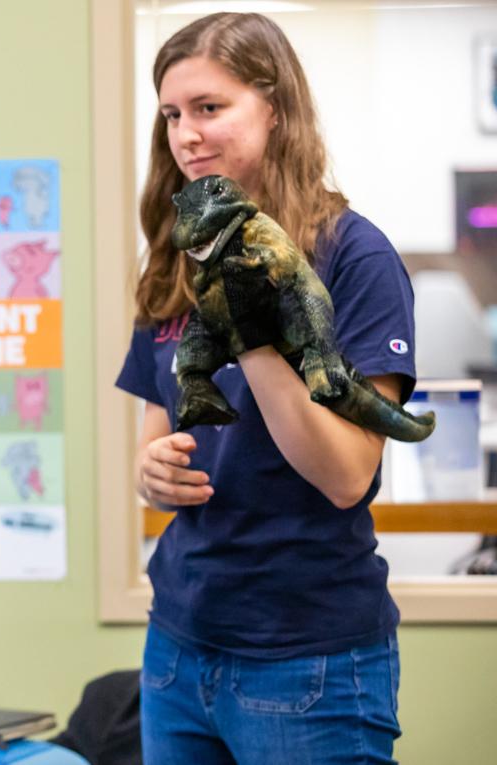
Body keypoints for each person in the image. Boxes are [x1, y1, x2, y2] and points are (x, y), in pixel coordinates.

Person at [116, 13, 410, 764]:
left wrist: (250, 334)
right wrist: (152, 474)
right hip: (178, 644)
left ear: (275, 108)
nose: (186, 133)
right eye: (173, 115)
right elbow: (160, 444)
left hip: (308, 657)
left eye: (210, 108)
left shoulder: (355, 259)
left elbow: (348, 476)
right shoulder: (177, 253)